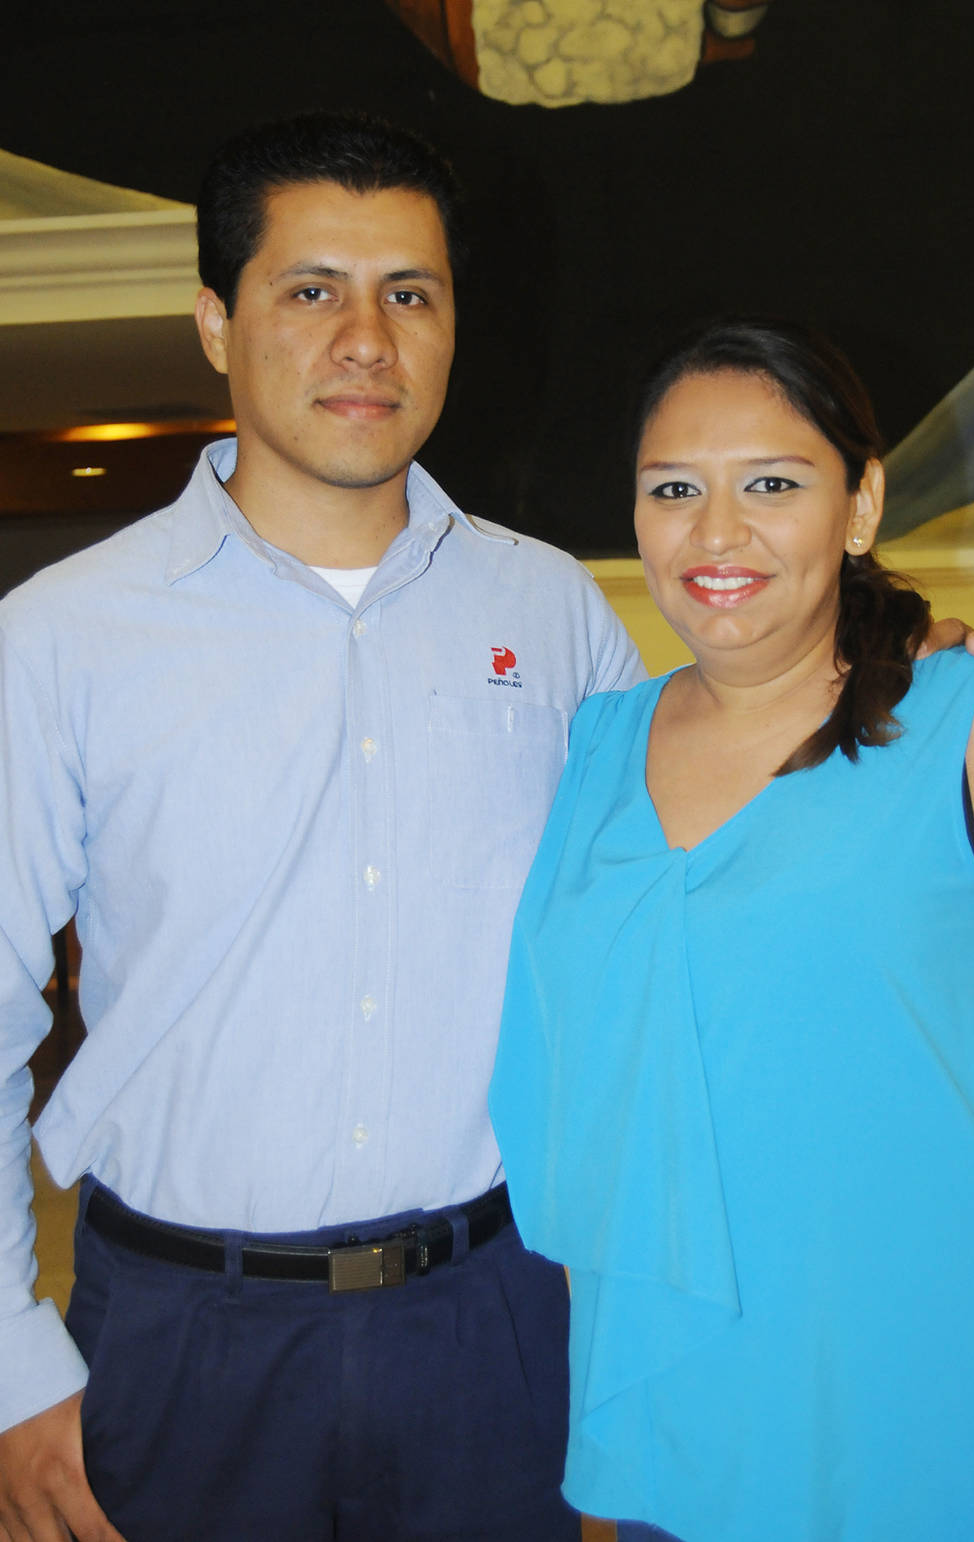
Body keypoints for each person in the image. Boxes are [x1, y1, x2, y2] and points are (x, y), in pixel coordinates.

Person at [0, 111, 646, 1542]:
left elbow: (685, 889)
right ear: (215, 323)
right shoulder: (58, 639)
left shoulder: (552, 612)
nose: (367, 339)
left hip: (493, 1321)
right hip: (180, 1341)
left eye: (410, 293)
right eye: (312, 290)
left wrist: (910, 709)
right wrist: (9, 1365)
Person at [490, 317, 974, 1542]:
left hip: (932, 1390)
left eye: (771, 485)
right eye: (673, 490)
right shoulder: (592, 745)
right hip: (677, 1390)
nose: (715, 534)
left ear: (859, 504)